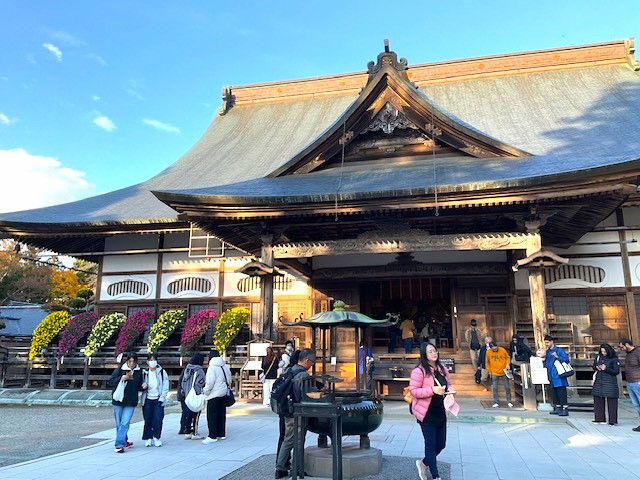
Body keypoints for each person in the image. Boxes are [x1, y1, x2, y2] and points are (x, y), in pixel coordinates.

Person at [410, 342, 454, 480]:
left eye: (434, 351)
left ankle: (423, 463)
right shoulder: (419, 371)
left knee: (441, 444)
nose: (434, 353)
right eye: (430, 352)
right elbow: (414, 391)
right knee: (430, 445)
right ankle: (435, 476)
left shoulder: (442, 369)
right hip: (426, 413)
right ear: (424, 355)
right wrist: (432, 390)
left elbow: (448, 384)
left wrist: (450, 391)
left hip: (440, 411)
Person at [275, 348, 316, 479]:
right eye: (312, 363)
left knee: (288, 440)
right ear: (307, 360)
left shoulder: (289, 370)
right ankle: (297, 469)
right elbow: (307, 395)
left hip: (287, 410)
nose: (311, 366)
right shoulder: (303, 375)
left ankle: (280, 467)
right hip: (298, 412)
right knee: (299, 440)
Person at [108, 352, 145, 453]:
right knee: (119, 423)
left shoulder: (138, 371)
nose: (132, 363)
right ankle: (124, 440)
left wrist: (143, 386)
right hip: (118, 400)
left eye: (134, 361)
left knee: (125, 422)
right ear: (127, 361)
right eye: (130, 361)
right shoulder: (120, 369)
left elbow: (138, 386)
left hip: (131, 401)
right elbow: (110, 382)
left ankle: (119, 444)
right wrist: (121, 378)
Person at [202, 349, 232, 444]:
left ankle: (212, 435)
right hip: (223, 392)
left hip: (214, 394)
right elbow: (229, 378)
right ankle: (221, 433)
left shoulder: (212, 367)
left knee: (212, 415)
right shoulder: (224, 366)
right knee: (221, 414)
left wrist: (205, 391)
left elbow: (210, 382)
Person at [141, 353, 169, 447]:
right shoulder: (144, 372)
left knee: (158, 418)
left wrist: (162, 398)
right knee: (148, 419)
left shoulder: (161, 372)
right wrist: (143, 386)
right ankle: (149, 438)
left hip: (158, 399)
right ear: (147, 361)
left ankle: (156, 437)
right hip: (147, 399)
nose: (152, 362)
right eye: (150, 360)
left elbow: (165, 385)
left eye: (154, 360)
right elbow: (140, 385)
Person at [178, 352, 206, 440]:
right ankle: (195, 432)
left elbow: (182, 382)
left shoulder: (187, 369)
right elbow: (200, 383)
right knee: (196, 414)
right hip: (195, 395)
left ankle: (187, 431)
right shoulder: (199, 370)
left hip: (186, 395)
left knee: (188, 414)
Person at [592, 343, 620, 425]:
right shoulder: (598, 357)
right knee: (598, 398)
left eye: (605, 352)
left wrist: (606, 369)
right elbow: (594, 365)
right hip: (599, 380)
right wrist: (596, 367)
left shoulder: (614, 359)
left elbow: (616, 371)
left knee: (612, 401)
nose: (603, 353)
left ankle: (612, 420)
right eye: (602, 351)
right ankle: (599, 418)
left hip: (610, 382)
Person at [544, 334, 570, 416]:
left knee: (561, 392)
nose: (546, 344)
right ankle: (557, 408)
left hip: (559, 375)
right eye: (545, 343)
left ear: (552, 341)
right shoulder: (548, 351)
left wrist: (557, 356)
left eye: (547, 342)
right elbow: (547, 363)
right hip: (551, 375)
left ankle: (565, 409)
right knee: (554, 393)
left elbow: (566, 360)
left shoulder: (559, 350)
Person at [619, 338, 640, 431]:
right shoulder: (628, 354)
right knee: (636, 404)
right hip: (630, 382)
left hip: (638, 381)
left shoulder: (638, 352)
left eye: (622, 347)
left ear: (627, 344)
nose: (621, 349)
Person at [485, 341, 513, 408]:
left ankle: (509, 401)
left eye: (495, 347)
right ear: (491, 348)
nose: (495, 349)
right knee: (494, 388)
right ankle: (496, 402)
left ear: (497, 346)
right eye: (493, 348)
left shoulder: (502, 350)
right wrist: (489, 371)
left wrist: (507, 364)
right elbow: (487, 362)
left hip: (503, 371)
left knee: (507, 387)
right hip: (494, 372)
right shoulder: (488, 352)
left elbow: (507, 357)